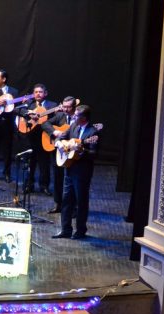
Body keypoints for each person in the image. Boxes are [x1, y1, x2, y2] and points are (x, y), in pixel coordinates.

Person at [52, 105, 99, 240]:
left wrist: (81, 151)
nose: (73, 117)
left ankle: (80, 230)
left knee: (81, 202)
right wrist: (60, 145)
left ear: (84, 118)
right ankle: (65, 230)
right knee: (66, 201)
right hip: (69, 169)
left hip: (82, 173)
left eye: (76, 115)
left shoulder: (93, 133)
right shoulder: (73, 127)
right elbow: (59, 138)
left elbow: (94, 154)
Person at [15, 83, 57, 194]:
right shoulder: (29, 103)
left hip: (44, 138)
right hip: (30, 138)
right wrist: (28, 114)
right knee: (30, 163)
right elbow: (17, 110)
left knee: (44, 164)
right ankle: (29, 185)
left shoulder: (52, 105)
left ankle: (44, 186)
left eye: (40, 92)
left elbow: (56, 119)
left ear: (45, 93)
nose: (38, 94)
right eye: (36, 92)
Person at [42, 96, 78, 213]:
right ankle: (58, 204)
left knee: (71, 180)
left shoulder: (78, 118)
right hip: (58, 152)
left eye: (68, 107)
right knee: (57, 178)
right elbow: (45, 123)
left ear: (74, 107)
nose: (66, 109)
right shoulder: (61, 116)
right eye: (64, 106)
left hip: (71, 153)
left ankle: (72, 207)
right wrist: (54, 132)